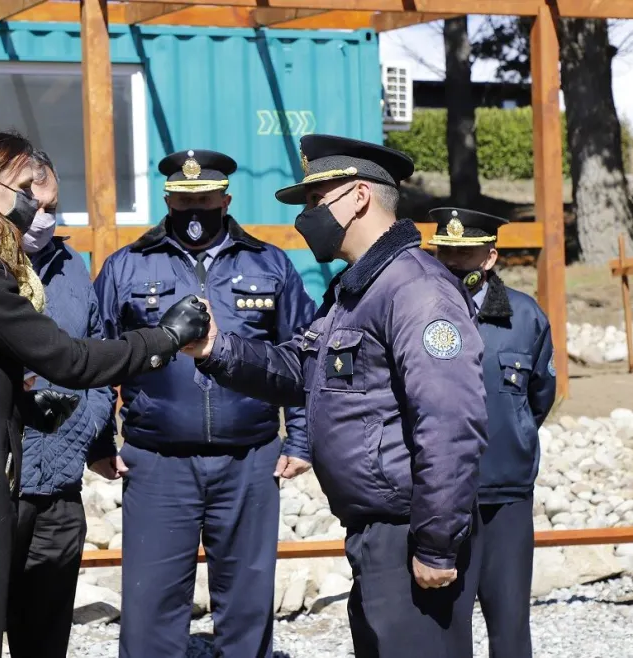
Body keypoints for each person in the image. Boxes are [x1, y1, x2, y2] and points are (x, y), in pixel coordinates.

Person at [0, 130, 209, 658]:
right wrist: (164, 339)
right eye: (27, 189)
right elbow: (68, 359)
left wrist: (12, 400)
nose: (36, 207)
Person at [186, 135, 490, 657]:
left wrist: (437, 544)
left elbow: (450, 422)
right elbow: (300, 370)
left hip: (410, 531)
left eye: (313, 200)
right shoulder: (355, 291)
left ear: (356, 197)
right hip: (377, 533)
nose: (306, 217)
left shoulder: (416, 288)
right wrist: (215, 348)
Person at [94, 149, 316, 657]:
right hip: (155, 462)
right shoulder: (126, 266)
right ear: (168, 199)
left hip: (251, 458)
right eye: (183, 198)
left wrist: (301, 438)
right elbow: (97, 358)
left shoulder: (270, 262)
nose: (195, 208)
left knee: (247, 603)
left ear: (226, 198)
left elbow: (300, 357)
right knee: (151, 608)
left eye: (205, 198)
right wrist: (99, 440)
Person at [429, 207, 556, 658]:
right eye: (446, 252)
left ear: (489, 257)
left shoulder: (524, 316)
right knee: (445, 628)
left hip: (506, 496)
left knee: (510, 628)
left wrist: (513, 436)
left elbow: (539, 395)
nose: (455, 263)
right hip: (439, 496)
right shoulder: (417, 311)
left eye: (466, 253)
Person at [6, 149, 118, 658]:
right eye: (33, 206)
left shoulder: (72, 266)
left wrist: (85, 433)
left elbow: (95, 359)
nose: (44, 218)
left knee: (46, 635)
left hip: (60, 486)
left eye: (54, 206)